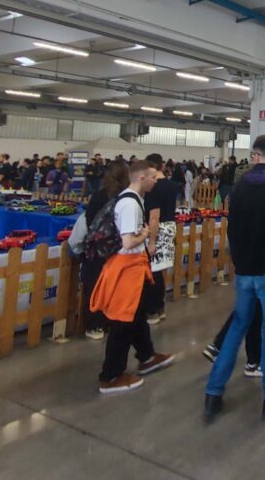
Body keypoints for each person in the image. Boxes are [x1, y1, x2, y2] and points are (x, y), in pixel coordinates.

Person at [204, 135, 265, 421]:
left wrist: (238, 260)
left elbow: (232, 229)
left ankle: (213, 392)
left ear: (255, 155)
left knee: (237, 328)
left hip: (245, 271)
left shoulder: (240, 187)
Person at [89, 160, 175, 394]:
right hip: (127, 268)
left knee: (136, 314)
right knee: (123, 321)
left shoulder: (135, 199)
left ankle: (147, 356)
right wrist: (145, 235)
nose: (156, 181)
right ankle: (110, 375)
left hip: (134, 267)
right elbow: (128, 242)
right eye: (153, 177)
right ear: (141, 178)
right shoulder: (130, 204)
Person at [78, 160, 129, 340]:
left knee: (94, 286)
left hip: (97, 249)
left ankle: (94, 325)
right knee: (115, 286)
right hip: (119, 249)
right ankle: (110, 321)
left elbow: (89, 221)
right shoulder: (127, 198)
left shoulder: (98, 196)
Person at [143, 154, 177, 323]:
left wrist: (151, 240)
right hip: (170, 227)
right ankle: (160, 308)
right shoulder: (170, 185)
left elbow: (154, 216)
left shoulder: (153, 187)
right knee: (159, 270)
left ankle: (153, 310)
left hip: (157, 229)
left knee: (152, 271)